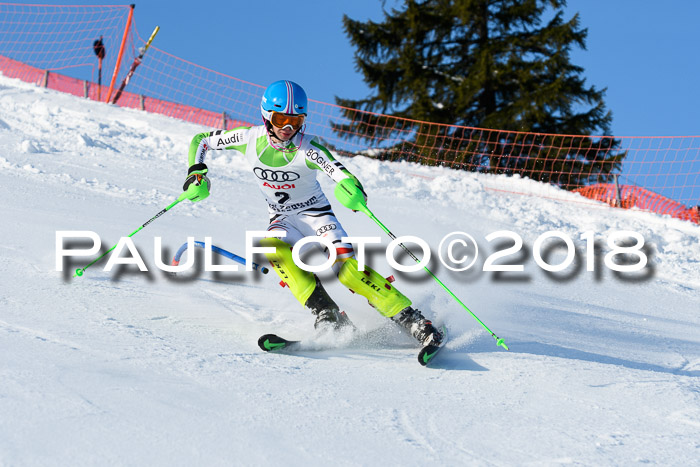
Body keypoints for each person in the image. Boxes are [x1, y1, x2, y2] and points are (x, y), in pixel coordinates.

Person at [182, 79, 443, 346]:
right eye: (281, 118)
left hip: (317, 216)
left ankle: (414, 321)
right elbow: (202, 140)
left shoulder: (309, 148)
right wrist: (196, 173)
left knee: (348, 272)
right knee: (273, 250)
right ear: (266, 116)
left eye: (295, 121)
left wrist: (351, 189)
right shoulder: (249, 138)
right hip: (282, 219)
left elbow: (340, 173)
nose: (287, 128)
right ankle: (328, 315)